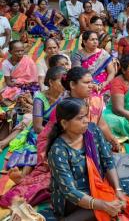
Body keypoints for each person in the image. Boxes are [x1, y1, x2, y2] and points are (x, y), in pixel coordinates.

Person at [0, 67, 119, 208]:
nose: (91, 85)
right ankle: (24, 181)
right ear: (73, 85)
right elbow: (47, 137)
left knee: (110, 168)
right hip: (68, 154)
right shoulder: (64, 108)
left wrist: (112, 140)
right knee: (53, 184)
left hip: (88, 149)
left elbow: (102, 124)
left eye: (91, 82)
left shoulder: (94, 101)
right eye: (86, 82)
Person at [47, 98, 129, 220]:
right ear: (64, 123)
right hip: (73, 200)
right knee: (107, 208)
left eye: (85, 116)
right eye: (79, 118)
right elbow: (70, 191)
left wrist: (118, 189)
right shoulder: (58, 151)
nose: (86, 121)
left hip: (98, 186)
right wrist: (103, 205)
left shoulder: (93, 130)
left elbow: (108, 161)